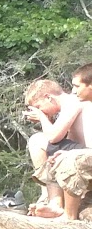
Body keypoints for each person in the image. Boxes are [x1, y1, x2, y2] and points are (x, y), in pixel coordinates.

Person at [23, 77, 87, 218]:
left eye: (39, 106)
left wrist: (41, 116)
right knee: (41, 142)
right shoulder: (67, 105)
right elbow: (65, 140)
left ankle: (55, 202)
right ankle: (51, 200)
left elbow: (53, 137)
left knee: (39, 141)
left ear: (48, 97)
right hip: (82, 151)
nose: (41, 111)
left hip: (86, 155)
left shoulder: (71, 102)